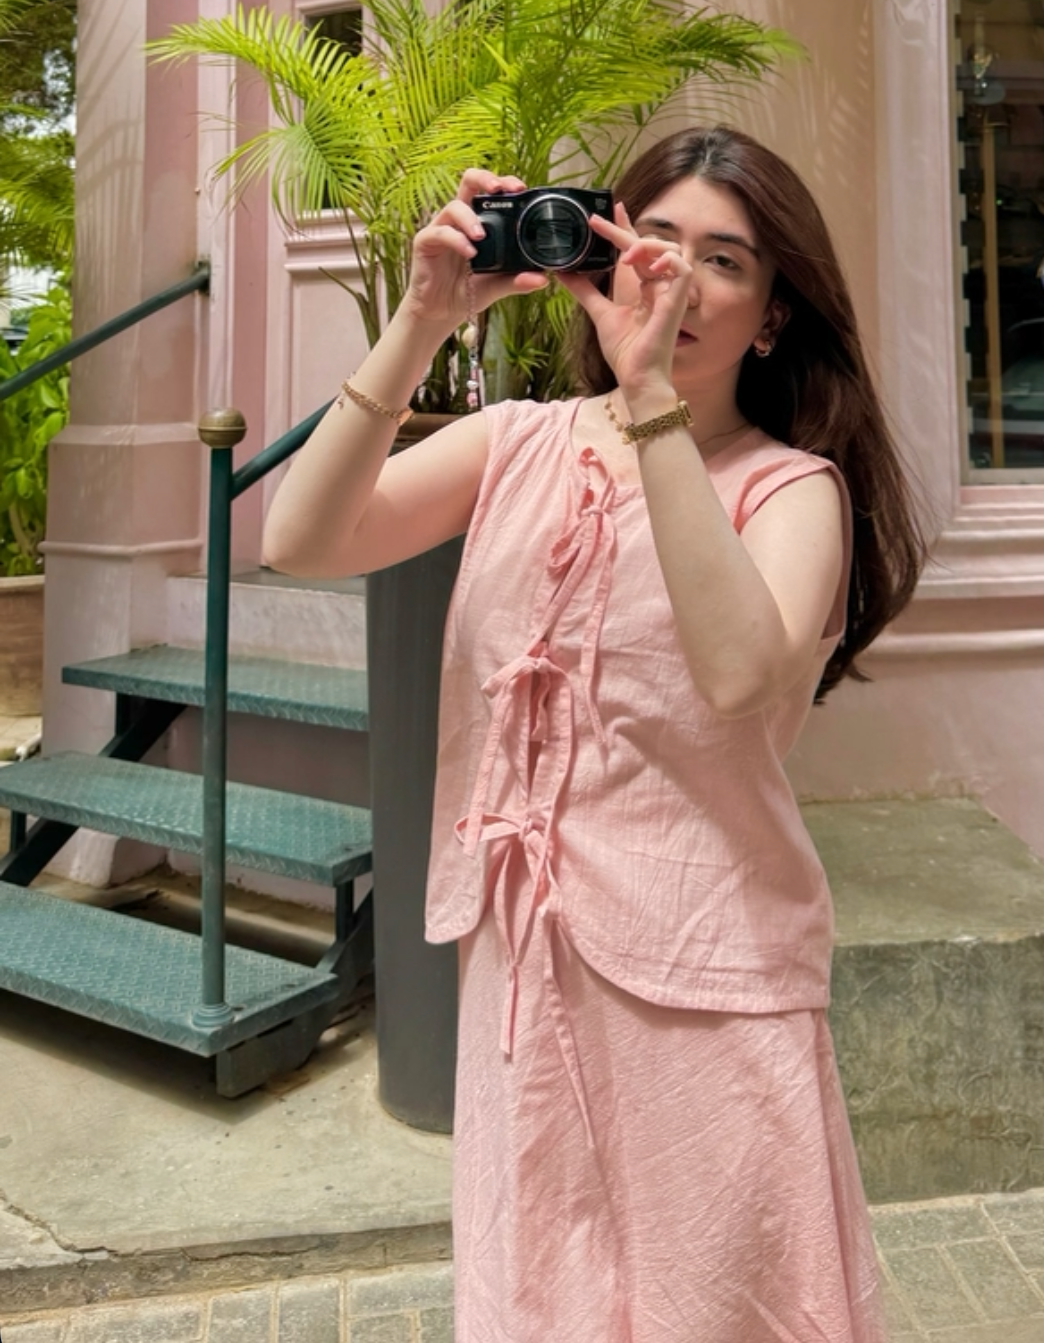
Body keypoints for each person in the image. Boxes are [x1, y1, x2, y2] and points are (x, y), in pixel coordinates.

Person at [263, 125, 924, 1343]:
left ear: (772, 315)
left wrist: (653, 402)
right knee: (542, 1302)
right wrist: (419, 323)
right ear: (601, 255)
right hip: (523, 971)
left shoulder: (791, 490)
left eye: (724, 261)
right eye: (654, 240)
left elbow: (738, 671)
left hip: (710, 983)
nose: (678, 279)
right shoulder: (519, 442)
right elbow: (299, 539)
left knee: (719, 1314)